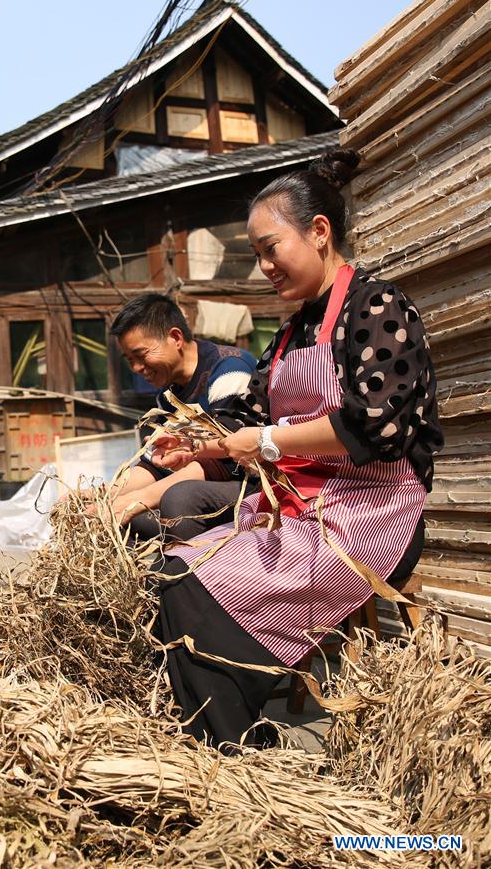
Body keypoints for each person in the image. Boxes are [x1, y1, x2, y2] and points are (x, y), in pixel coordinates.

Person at [150, 148, 444, 749]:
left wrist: (265, 442)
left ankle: (231, 748)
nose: (264, 266)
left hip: (372, 513)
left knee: (191, 580)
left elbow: (374, 425)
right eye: (256, 254)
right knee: (171, 566)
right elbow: (248, 414)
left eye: (269, 248)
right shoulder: (291, 332)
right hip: (302, 507)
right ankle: (222, 739)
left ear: (318, 232)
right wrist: (199, 446)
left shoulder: (377, 308)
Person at [106, 293, 256, 538]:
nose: (136, 368)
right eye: (130, 360)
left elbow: (225, 460)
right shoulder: (167, 395)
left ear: (175, 337)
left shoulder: (230, 371)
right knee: (116, 516)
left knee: (180, 498)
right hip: (207, 480)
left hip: (252, 484)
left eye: (141, 355)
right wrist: (103, 496)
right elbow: (155, 465)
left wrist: (134, 500)